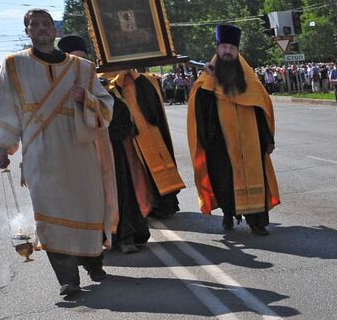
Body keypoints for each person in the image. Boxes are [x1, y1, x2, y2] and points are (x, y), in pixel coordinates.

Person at [0, 9, 115, 299]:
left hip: (80, 149)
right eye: (35, 25)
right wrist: (2, 147)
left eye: (47, 24)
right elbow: (5, 105)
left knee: (87, 206)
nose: (42, 28)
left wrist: (87, 98)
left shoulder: (83, 67)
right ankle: (68, 278)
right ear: (27, 31)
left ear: (55, 30)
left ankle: (93, 261)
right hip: (40, 153)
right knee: (50, 215)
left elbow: (106, 105)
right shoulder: (14, 65)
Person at [55, 34, 150, 256]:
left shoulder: (99, 85)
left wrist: (87, 99)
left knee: (118, 192)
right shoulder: (55, 90)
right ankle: (91, 242)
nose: (79, 65)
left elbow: (118, 114)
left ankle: (124, 236)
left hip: (109, 152)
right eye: (73, 60)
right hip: (76, 155)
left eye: (83, 60)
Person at [187, 24, 280, 234]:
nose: (227, 51)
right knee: (225, 182)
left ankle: (257, 222)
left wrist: (268, 138)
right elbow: (199, 108)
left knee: (255, 179)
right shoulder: (207, 78)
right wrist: (209, 78)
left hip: (251, 142)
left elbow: (260, 110)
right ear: (217, 49)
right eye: (224, 47)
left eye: (232, 48)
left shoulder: (249, 79)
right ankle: (228, 214)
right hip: (220, 143)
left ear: (237, 51)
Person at [102, 62, 183, 220]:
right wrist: (120, 78)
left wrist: (134, 77)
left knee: (160, 168)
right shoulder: (105, 81)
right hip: (131, 137)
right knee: (140, 172)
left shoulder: (145, 79)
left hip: (151, 133)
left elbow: (153, 103)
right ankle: (147, 205)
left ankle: (166, 204)